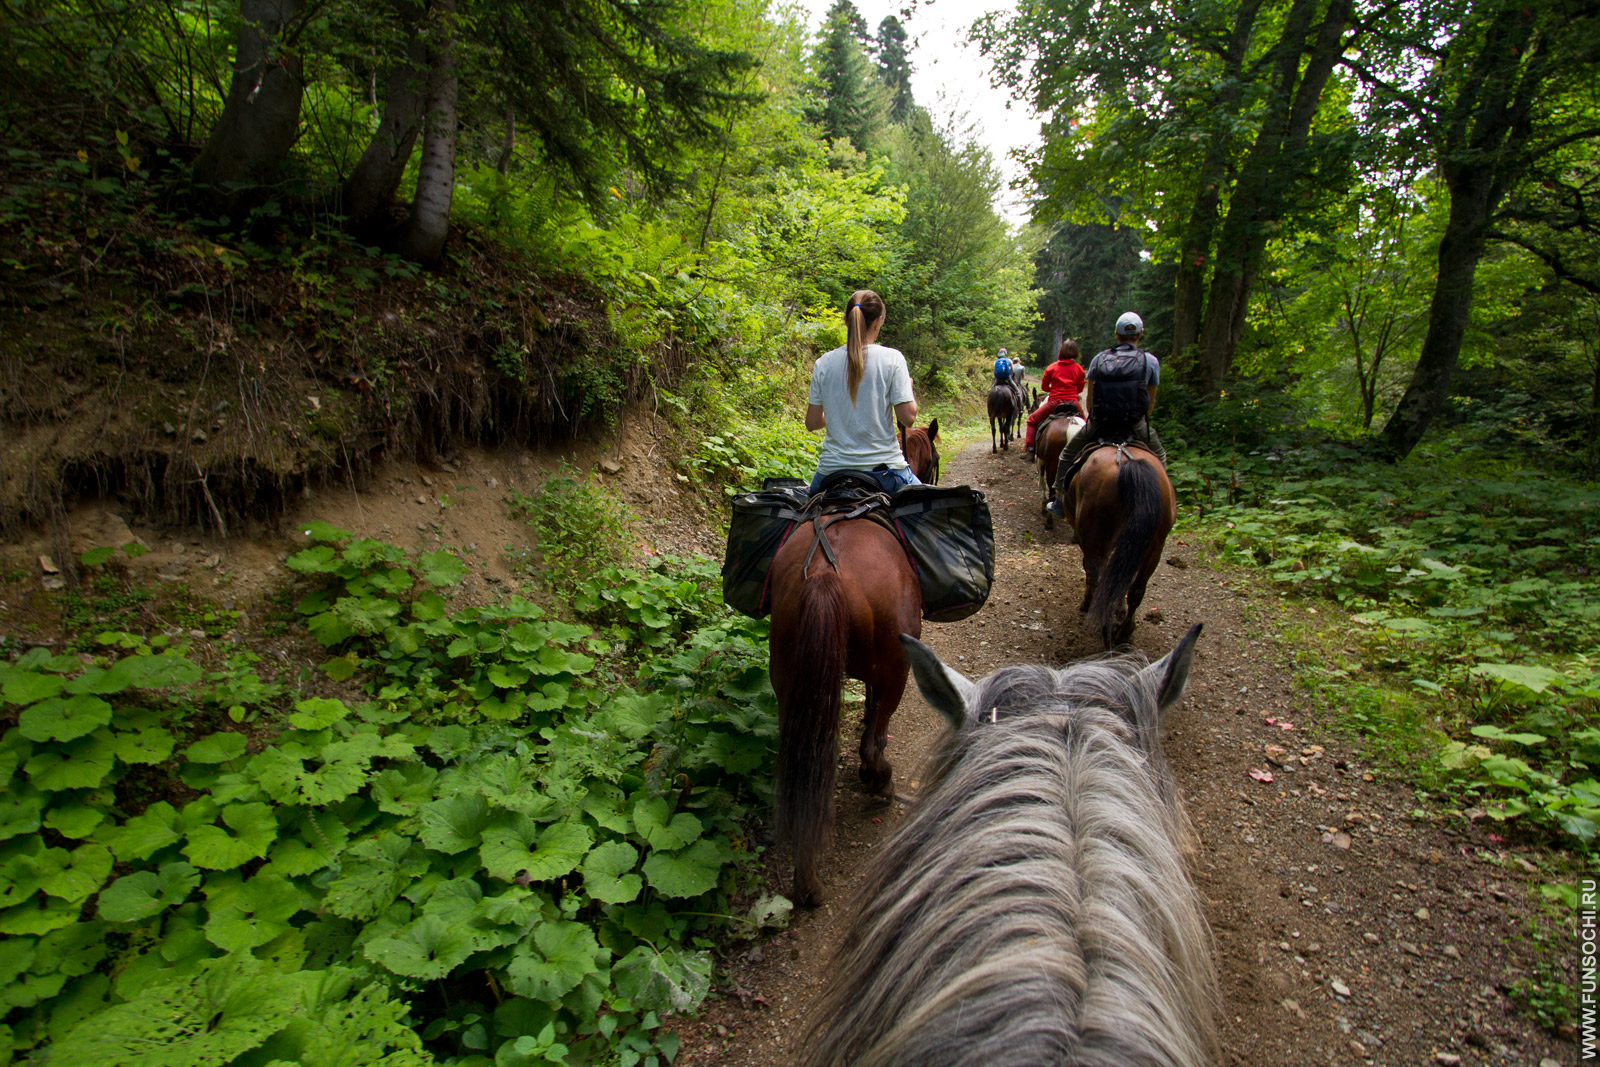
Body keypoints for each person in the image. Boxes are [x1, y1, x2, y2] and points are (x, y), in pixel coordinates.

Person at [1047, 312, 1168, 518]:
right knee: (1161, 456)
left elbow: (1091, 399)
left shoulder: (1099, 359)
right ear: (1140, 334)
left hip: (1101, 423)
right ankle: (1164, 504)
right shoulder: (1150, 361)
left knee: (1067, 454)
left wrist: (1096, 417)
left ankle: (1059, 499)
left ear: (1116, 335)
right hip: (1134, 423)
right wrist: (1138, 418)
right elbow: (1150, 401)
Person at [805, 289, 921, 496]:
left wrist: (834, 413)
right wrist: (908, 390)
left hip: (831, 472)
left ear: (846, 321)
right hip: (886, 473)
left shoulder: (823, 363)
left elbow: (812, 423)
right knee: (931, 516)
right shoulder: (893, 359)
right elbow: (908, 418)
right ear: (878, 321)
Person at [1024, 338, 1088, 460]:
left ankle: (1030, 449)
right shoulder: (1079, 369)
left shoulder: (1052, 367)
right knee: (1087, 425)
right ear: (1076, 352)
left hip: (1054, 402)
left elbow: (1044, 387)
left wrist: (1054, 390)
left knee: (1031, 420)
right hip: (1073, 402)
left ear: (1061, 351)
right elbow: (1080, 389)